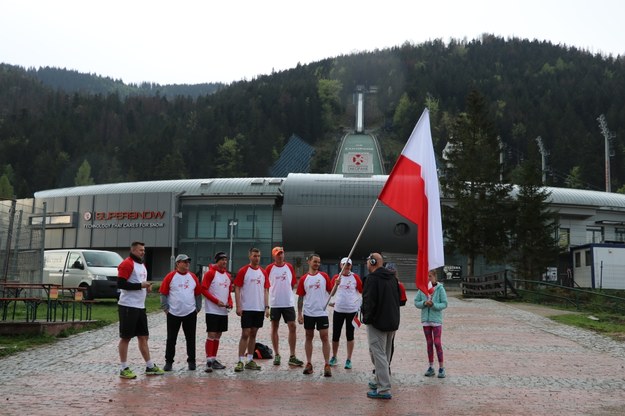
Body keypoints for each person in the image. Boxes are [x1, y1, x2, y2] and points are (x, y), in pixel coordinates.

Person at [116, 241, 165, 379]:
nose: (142, 252)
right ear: (133, 250)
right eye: (140, 250)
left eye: (143, 250)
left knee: (143, 336)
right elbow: (121, 284)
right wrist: (140, 285)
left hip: (140, 306)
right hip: (127, 306)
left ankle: (149, 366)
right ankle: (123, 368)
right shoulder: (127, 263)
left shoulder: (142, 265)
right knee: (125, 337)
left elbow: (139, 282)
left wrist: (146, 287)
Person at [361, 252, 400, 399]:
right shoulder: (392, 278)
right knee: (385, 354)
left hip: (377, 323)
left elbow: (369, 301)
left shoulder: (372, 279)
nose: (366, 264)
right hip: (392, 322)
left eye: (367, 261)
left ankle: (384, 388)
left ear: (372, 262)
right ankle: (379, 380)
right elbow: (398, 300)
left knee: (378, 354)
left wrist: (366, 318)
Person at [159, 254, 202, 371]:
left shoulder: (193, 277)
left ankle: (192, 361)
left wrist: (197, 308)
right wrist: (166, 309)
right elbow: (163, 293)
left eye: (188, 262)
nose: (187, 264)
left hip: (190, 313)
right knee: (171, 339)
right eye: (184, 262)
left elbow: (198, 293)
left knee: (191, 338)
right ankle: (169, 361)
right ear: (177, 264)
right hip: (173, 313)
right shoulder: (170, 276)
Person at [265, 246, 304, 367]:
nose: (280, 256)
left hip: (288, 303)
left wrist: (287, 295)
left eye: (281, 253)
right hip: (275, 303)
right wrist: (267, 305)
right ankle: (277, 354)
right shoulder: (269, 268)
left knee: (292, 327)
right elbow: (266, 286)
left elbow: (292, 284)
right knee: (274, 327)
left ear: (284, 254)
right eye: (277, 254)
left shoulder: (289, 267)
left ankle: (292, 356)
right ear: (274, 256)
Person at [296, 253, 333, 377]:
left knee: (325, 337)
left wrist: (336, 285)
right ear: (309, 262)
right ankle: (309, 363)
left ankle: (327, 364)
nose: (317, 264)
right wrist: (299, 314)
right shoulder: (304, 279)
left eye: (319, 262)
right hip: (309, 313)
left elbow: (331, 293)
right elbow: (300, 297)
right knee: (308, 336)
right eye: (315, 261)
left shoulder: (324, 276)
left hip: (321, 312)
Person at [233, 247, 269, 372]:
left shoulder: (263, 272)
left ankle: (250, 360)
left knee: (253, 334)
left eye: (258, 256)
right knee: (245, 334)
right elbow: (237, 287)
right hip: (247, 308)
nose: (257, 258)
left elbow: (265, 290)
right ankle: (240, 361)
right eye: (254, 256)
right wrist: (238, 306)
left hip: (259, 308)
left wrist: (266, 307)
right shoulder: (243, 271)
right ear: (249, 256)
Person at [201, 251, 233, 373]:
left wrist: (230, 302)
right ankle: (209, 360)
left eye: (225, 260)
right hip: (212, 310)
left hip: (223, 311)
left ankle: (214, 359)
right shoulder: (210, 273)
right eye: (222, 260)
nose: (224, 262)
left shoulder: (228, 276)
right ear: (217, 261)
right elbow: (203, 290)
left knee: (218, 335)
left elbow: (229, 292)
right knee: (212, 334)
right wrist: (215, 301)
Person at [328, 257, 362, 370]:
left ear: (351, 266)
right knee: (335, 335)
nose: (346, 267)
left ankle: (348, 359)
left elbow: (362, 292)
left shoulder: (355, 277)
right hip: (338, 310)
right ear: (340, 265)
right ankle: (334, 356)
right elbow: (331, 294)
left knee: (350, 335)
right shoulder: (336, 277)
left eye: (348, 265)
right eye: (344, 264)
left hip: (351, 311)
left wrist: (358, 305)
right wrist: (336, 284)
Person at [414, 269, 448, 378]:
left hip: (436, 320)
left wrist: (434, 305)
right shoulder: (422, 289)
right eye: (427, 276)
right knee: (429, 343)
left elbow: (444, 304)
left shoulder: (440, 288)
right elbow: (416, 302)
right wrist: (424, 303)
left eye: (430, 276)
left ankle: (441, 368)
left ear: (435, 277)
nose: (428, 278)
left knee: (437, 343)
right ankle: (431, 366)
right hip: (426, 320)